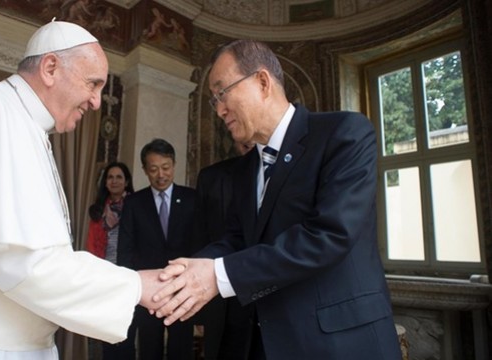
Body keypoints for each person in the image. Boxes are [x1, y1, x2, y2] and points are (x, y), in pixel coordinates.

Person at [0, 20, 168, 360]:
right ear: (50, 68)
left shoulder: (26, 126)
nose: (96, 102)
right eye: (93, 84)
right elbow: (19, 263)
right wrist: (135, 286)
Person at [153, 39, 403, 360]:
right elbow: (236, 240)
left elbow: (329, 235)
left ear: (262, 82)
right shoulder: (244, 170)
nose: (218, 110)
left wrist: (217, 275)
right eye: (213, 100)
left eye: (222, 93)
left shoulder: (344, 133)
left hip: (340, 344)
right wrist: (186, 273)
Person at [118, 138, 196, 360]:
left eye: (165, 167)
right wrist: (131, 288)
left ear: (174, 165)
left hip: (183, 289)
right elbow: (125, 249)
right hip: (148, 292)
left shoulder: (192, 199)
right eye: (153, 169)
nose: (161, 175)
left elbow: (199, 243)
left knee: (181, 349)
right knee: (149, 347)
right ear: (144, 170)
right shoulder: (134, 203)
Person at [192, 140, 255, 360]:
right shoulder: (211, 177)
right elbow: (200, 237)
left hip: (266, 292)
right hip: (218, 294)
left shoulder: (286, 173)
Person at [86, 161, 137, 359]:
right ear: (105, 183)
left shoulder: (137, 205)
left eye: (119, 177)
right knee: (108, 333)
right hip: (106, 276)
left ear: (126, 182)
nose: (114, 181)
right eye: (110, 177)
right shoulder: (98, 211)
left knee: (127, 333)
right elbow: (92, 246)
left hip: (129, 275)